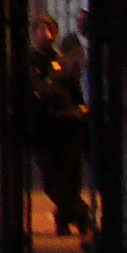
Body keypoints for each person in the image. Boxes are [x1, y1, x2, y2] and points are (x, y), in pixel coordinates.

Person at [32, 16, 90, 236]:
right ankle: (81, 213)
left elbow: (74, 91)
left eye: (51, 30)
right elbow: (39, 89)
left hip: (66, 125)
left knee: (70, 176)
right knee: (52, 178)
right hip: (43, 127)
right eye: (42, 30)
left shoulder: (62, 60)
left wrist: (80, 111)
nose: (47, 35)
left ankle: (65, 218)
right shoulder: (31, 61)